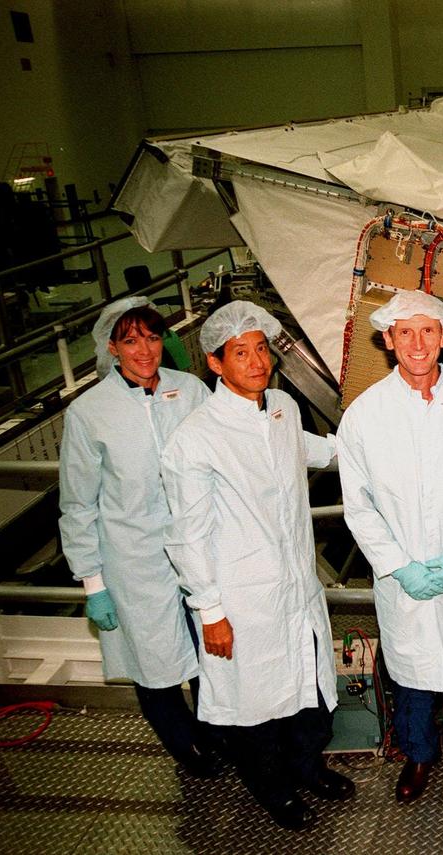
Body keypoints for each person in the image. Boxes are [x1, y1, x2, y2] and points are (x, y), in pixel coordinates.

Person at [160, 301, 354, 831]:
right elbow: (187, 536)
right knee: (256, 709)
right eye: (239, 353)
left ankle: (309, 768)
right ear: (216, 364)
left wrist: (366, 445)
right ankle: (274, 791)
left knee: (310, 692)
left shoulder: (281, 409)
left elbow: (313, 450)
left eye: (261, 348)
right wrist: (210, 609)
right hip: (243, 600)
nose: (255, 361)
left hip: (296, 586)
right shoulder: (196, 439)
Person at [337, 291, 443, 804]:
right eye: (405, 332)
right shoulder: (364, 415)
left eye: (428, 331)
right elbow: (358, 507)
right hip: (402, 577)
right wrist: (399, 566)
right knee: (412, 675)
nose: (417, 343)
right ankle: (419, 755)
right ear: (388, 340)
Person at [58, 296, 220, 778]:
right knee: (155, 666)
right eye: (130, 340)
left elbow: (224, 456)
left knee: (215, 654)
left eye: (152, 337)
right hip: (134, 562)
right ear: (112, 347)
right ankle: (185, 750)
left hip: (198, 549)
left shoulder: (190, 390)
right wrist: (92, 583)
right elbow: (78, 503)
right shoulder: (89, 413)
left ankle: (218, 736)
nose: (144, 350)